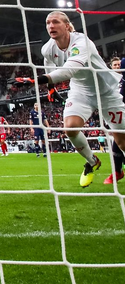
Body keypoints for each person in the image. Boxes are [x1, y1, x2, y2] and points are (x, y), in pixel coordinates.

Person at [15, 11, 125, 187]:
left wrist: (35, 80)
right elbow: (48, 63)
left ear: (67, 26)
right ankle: (92, 161)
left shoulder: (81, 42)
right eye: (48, 23)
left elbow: (68, 71)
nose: (51, 26)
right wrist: (51, 88)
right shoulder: (48, 48)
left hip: (106, 91)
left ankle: (118, 169)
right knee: (70, 128)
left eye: (55, 22)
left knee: (122, 141)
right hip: (80, 91)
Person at [104, 57, 125, 184]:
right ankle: (117, 171)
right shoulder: (107, 80)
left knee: (119, 141)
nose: (117, 66)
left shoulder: (124, 78)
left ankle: (117, 171)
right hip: (114, 114)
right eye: (115, 65)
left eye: (119, 65)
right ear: (111, 67)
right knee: (118, 140)